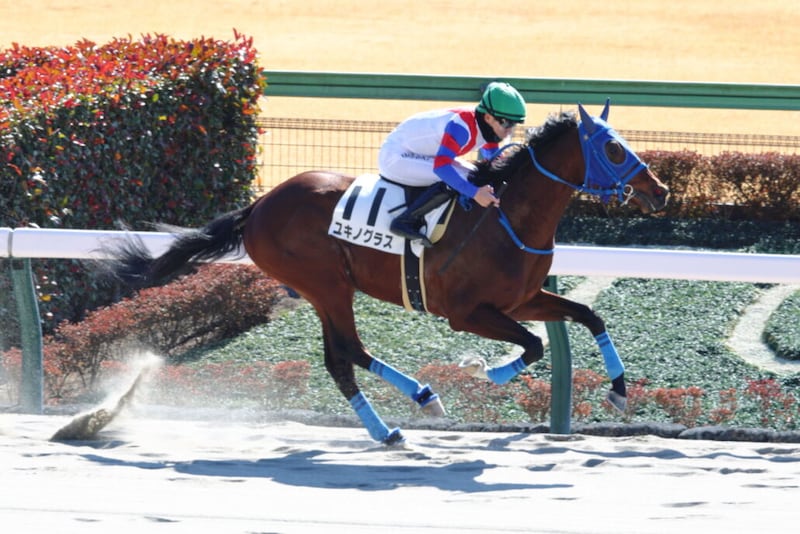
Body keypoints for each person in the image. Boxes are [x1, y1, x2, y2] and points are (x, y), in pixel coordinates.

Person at [378, 81, 526, 247]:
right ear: (488, 117)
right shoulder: (461, 128)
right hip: (395, 156)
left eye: (514, 124)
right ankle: (405, 221)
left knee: (471, 174)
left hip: (419, 153)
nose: (509, 130)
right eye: (506, 123)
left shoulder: (488, 127)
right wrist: (475, 193)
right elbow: (441, 167)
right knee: (459, 178)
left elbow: (494, 159)